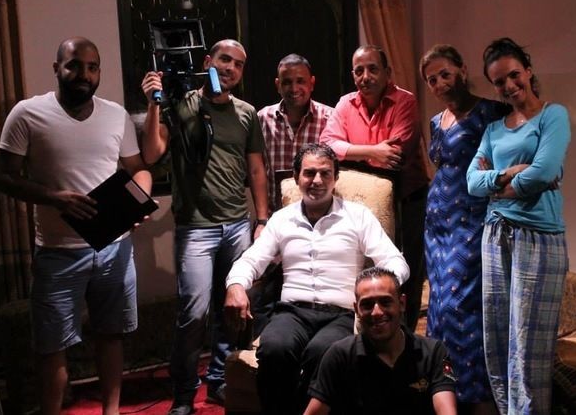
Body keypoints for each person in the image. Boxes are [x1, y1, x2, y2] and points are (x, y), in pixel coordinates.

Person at [0, 37, 152, 415]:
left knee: (111, 336)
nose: (84, 74)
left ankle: (111, 411)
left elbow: (139, 169)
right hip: (57, 252)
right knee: (51, 346)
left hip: (114, 248)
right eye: (74, 65)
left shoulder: (115, 114)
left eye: (92, 67)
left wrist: (138, 202)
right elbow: (4, 177)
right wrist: (54, 198)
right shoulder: (27, 114)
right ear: (57, 68)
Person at [224, 143, 409, 415]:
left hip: (340, 314)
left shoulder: (357, 216)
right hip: (292, 312)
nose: (317, 181)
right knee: (275, 347)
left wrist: (379, 287)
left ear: (336, 178)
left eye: (325, 173)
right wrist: (235, 285)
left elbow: (395, 262)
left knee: (323, 352)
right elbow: (252, 260)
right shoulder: (282, 219)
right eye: (309, 173)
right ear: (297, 177)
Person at [140, 39, 269, 414]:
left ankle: (220, 381)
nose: (230, 68)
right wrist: (154, 104)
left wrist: (262, 220)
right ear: (208, 61)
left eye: (238, 64)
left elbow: (256, 169)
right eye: (225, 59)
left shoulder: (246, 113)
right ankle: (184, 393)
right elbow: (151, 153)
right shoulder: (181, 104)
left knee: (233, 310)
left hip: (237, 226)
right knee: (193, 314)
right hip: (195, 229)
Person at [466, 37, 571, 414]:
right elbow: (471, 182)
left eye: (514, 75)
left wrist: (497, 186)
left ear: (528, 71)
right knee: (497, 340)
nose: (509, 86)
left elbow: (543, 172)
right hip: (495, 236)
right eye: (499, 82)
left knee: (528, 349)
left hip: (538, 238)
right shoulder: (494, 129)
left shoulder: (553, 116)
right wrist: (509, 174)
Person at [419, 44, 509, 414]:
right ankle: (445, 392)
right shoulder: (435, 122)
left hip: (471, 222)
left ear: (462, 70)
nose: (440, 83)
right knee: (439, 306)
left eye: (445, 74)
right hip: (437, 225)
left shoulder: (491, 113)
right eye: (432, 79)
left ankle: (479, 398)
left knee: (464, 307)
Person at [319, 45, 429, 329]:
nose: (365, 76)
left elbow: (395, 154)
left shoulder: (405, 101)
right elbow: (327, 144)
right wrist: (373, 151)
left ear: (387, 72)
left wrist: (351, 153)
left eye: (372, 69)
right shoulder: (345, 104)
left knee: (406, 272)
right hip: (360, 203)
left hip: (407, 201)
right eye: (359, 71)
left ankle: (404, 335)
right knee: (365, 268)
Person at [304, 267, 458, 415]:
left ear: (402, 303)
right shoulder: (340, 356)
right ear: (356, 309)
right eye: (367, 305)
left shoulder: (432, 353)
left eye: (385, 302)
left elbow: (446, 409)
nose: (376, 312)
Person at [258, 53, 333, 211]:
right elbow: (256, 172)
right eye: (287, 82)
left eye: (300, 81)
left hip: (321, 214)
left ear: (312, 83)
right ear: (278, 85)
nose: (294, 88)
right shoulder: (262, 119)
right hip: (275, 215)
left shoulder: (330, 118)